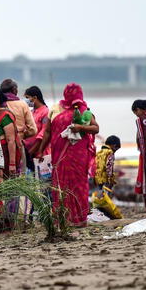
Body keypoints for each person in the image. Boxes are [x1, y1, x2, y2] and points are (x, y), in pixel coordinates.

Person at [49, 83, 99, 226]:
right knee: (78, 186)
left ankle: (65, 219)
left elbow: (49, 136)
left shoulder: (58, 117)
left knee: (63, 186)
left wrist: (80, 127)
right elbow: (96, 128)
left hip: (63, 158)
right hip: (79, 157)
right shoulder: (85, 112)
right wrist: (83, 127)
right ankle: (79, 219)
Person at [1, 79, 37, 171]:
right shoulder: (22, 104)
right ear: (14, 89)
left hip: (0, 146)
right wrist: (22, 135)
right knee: (19, 174)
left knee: (2, 174)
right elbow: (33, 129)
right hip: (18, 144)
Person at [23, 86, 50, 171]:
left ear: (35, 97)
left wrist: (32, 151)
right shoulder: (31, 112)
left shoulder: (45, 112)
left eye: (27, 98)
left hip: (40, 153)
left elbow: (43, 134)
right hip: (29, 153)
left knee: (43, 180)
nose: (26, 101)